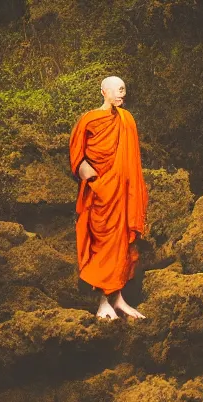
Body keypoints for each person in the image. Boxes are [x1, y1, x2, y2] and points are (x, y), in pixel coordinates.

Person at [69, 75, 148, 320]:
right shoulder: (89, 119)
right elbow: (77, 154)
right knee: (100, 244)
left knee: (122, 243)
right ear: (104, 92)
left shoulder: (127, 120)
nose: (122, 94)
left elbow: (132, 159)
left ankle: (118, 299)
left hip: (122, 193)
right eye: (118, 90)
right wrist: (93, 180)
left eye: (124, 90)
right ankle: (102, 301)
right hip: (100, 194)